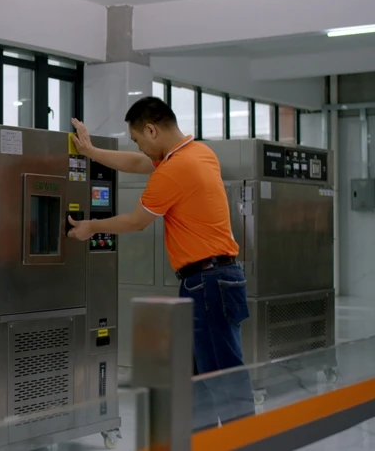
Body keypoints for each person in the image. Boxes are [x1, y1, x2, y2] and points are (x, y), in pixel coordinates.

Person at [65, 96, 254, 429]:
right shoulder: (199, 153)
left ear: (151, 130)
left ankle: (247, 442)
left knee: (221, 374)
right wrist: (91, 152)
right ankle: (205, 440)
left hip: (207, 283)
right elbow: (138, 164)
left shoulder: (174, 170)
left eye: (138, 139)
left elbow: (136, 221)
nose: (138, 148)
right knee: (198, 375)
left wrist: (90, 227)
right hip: (216, 278)